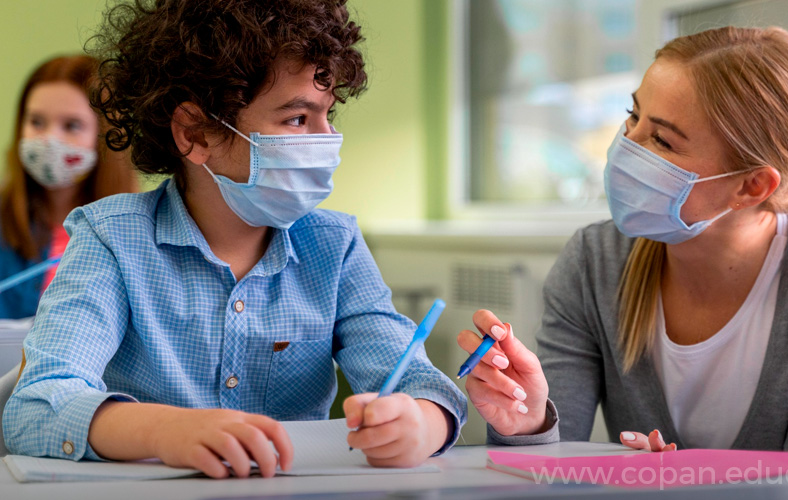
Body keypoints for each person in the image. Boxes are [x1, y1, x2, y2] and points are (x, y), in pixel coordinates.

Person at [4, 0, 466, 478]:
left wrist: (421, 424)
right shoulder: (111, 238)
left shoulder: (337, 244)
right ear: (195, 131)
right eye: (296, 120)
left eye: (328, 117)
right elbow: (35, 408)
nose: (324, 142)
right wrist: (165, 431)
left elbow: (420, 384)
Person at [457, 26, 788, 461]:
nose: (625, 145)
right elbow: (551, 474)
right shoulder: (594, 261)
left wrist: (686, 486)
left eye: (662, 140)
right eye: (633, 114)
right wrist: (531, 424)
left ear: (752, 185)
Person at [0, 55, 136, 318]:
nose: (50, 139)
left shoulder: (135, 234)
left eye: (72, 125)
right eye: (36, 122)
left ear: (107, 136)